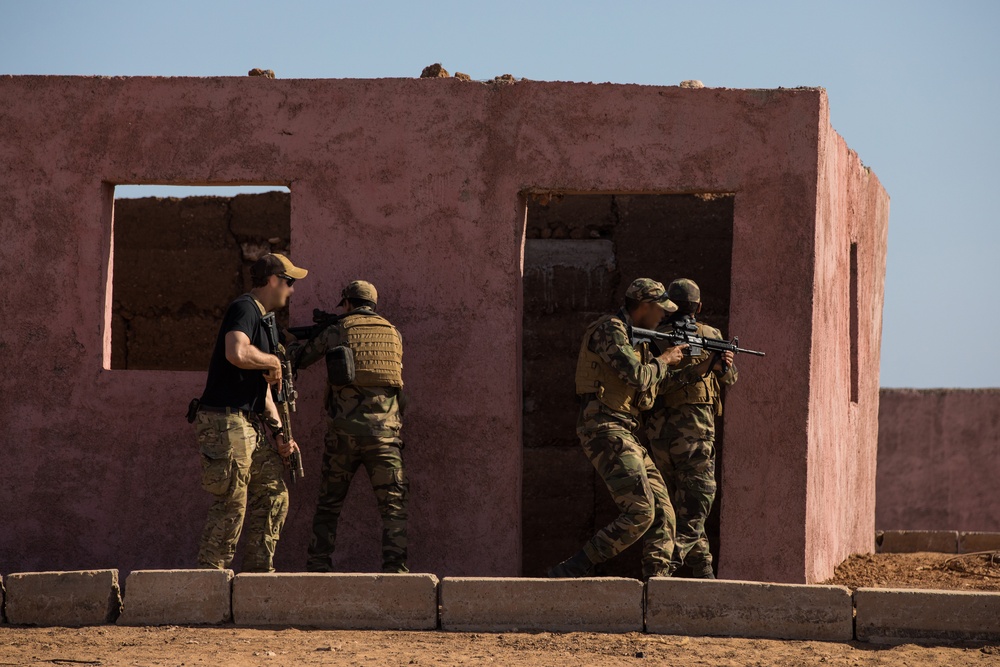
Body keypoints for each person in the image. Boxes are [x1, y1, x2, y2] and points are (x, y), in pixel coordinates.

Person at [547, 278, 687, 579]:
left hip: (625, 430)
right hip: (604, 428)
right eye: (659, 309)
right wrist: (665, 358)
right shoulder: (609, 330)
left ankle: (658, 582)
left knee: (664, 512)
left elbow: (647, 391)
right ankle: (575, 567)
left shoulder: (637, 339)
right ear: (645, 307)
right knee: (641, 510)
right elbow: (637, 376)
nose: (662, 315)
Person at [192, 252, 306, 572]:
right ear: (271, 280)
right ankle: (208, 579)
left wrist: (281, 434)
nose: (291, 289)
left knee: (273, 495)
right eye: (288, 282)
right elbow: (236, 352)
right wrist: (272, 362)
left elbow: (265, 392)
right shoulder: (245, 308)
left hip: (248, 426)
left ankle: (258, 574)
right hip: (226, 421)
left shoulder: (265, 322)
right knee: (232, 503)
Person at [288, 280, 410, 573]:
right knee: (393, 508)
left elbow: (301, 360)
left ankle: (318, 566)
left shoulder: (338, 329)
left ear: (347, 303)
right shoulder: (393, 333)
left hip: (344, 435)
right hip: (385, 436)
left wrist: (287, 344)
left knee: (329, 505)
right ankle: (397, 570)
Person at [644, 278, 736, 579]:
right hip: (695, 434)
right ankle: (663, 566)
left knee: (674, 508)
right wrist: (722, 365)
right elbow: (730, 380)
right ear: (698, 307)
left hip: (658, 434)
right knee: (697, 503)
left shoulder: (653, 335)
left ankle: (704, 571)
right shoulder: (709, 334)